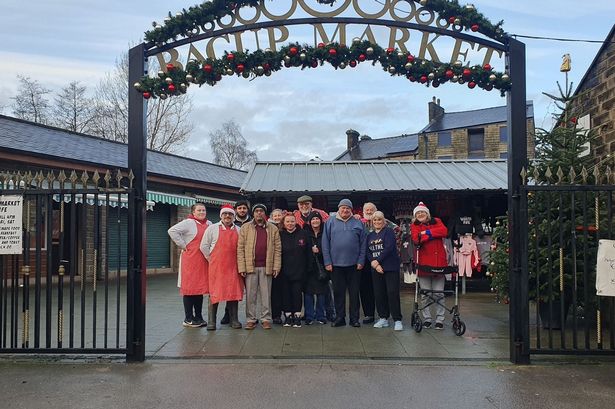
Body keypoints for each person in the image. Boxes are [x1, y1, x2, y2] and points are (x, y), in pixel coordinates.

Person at [322, 199, 367, 327]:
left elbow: (363, 244)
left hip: (354, 264)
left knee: (354, 293)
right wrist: (327, 261)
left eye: (348, 208)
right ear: (338, 209)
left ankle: (354, 319)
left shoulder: (358, 223)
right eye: (343, 208)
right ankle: (340, 318)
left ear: (351, 209)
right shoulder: (330, 222)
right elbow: (325, 243)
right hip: (335, 265)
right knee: (338, 293)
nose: (345, 210)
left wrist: (361, 260)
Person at [237, 203, 282, 330]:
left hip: (267, 266)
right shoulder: (246, 228)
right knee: (251, 295)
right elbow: (240, 249)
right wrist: (242, 267)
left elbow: (278, 249)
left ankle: (266, 318)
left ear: (265, 213)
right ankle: (251, 319)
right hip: (250, 267)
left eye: (261, 211)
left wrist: (276, 267)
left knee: (266, 294)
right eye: (256, 211)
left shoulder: (273, 228)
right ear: (253, 213)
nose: (259, 213)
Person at [167, 202, 212, 328]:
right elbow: (172, 231)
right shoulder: (188, 223)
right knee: (189, 289)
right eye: (199, 210)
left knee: (199, 289)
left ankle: (198, 317)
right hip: (190, 260)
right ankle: (188, 318)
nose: (202, 212)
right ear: (193, 212)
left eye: (203, 210)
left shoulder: (209, 224)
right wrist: (183, 245)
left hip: (203, 260)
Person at [201, 205, 243, 330]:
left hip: (234, 266)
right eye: (225, 214)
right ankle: (211, 321)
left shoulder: (239, 230)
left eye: (230, 214)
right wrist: (211, 259)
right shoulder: (212, 228)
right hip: (217, 267)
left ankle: (234, 319)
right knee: (215, 293)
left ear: (233, 216)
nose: (227, 216)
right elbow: (204, 246)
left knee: (233, 292)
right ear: (221, 216)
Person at [411, 202, 449, 330]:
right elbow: (416, 239)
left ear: (427, 213)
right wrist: (432, 234)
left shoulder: (437, 220)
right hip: (424, 263)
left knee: (439, 294)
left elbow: (444, 231)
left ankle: (439, 319)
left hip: (439, 263)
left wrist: (426, 233)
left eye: (422, 212)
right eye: (418, 213)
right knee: (425, 294)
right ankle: (427, 318)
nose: (420, 214)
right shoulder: (414, 225)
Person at [366, 211, 403, 331]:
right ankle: (383, 318)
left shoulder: (389, 232)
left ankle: (397, 319)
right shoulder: (370, 235)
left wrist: (377, 261)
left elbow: (389, 247)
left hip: (390, 267)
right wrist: (373, 263)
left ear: (384, 221)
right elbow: (368, 251)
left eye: (379, 220)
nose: (377, 222)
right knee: (379, 293)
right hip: (376, 269)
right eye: (375, 220)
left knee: (392, 293)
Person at [219, 199, 252, 326]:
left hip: (245, 260)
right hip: (228, 263)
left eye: (244, 208)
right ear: (236, 210)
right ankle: (228, 314)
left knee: (243, 290)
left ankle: (248, 316)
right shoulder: (231, 222)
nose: (242, 210)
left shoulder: (251, 222)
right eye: (240, 208)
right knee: (229, 288)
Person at [279, 214, 311, 328]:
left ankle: (297, 316)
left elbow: (308, 253)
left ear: (295, 222)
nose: (290, 224)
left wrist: (308, 269)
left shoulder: (303, 234)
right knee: (286, 294)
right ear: (284, 223)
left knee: (297, 294)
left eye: (292, 221)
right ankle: (288, 316)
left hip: (299, 271)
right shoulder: (280, 234)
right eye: (287, 221)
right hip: (284, 271)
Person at [304, 211, 329, 325]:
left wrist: (319, 251)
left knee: (321, 292)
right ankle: (309, 315)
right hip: (309, 267)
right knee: (308, 293)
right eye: (313, 219)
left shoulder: (325, 232)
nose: (315, 221)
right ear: (310, 221)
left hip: (322, 266)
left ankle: (320, 315)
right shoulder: (305, 233)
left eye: (317, 219)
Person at [269, 208, 286, 324]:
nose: (277, 217)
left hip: (286, 263)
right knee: (275, 291)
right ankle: (276, 314)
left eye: (279, 215)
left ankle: (288, 312)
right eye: (275, 216)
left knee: (285, 291)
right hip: (273, 263)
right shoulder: (268, 228)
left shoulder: (286, 227)